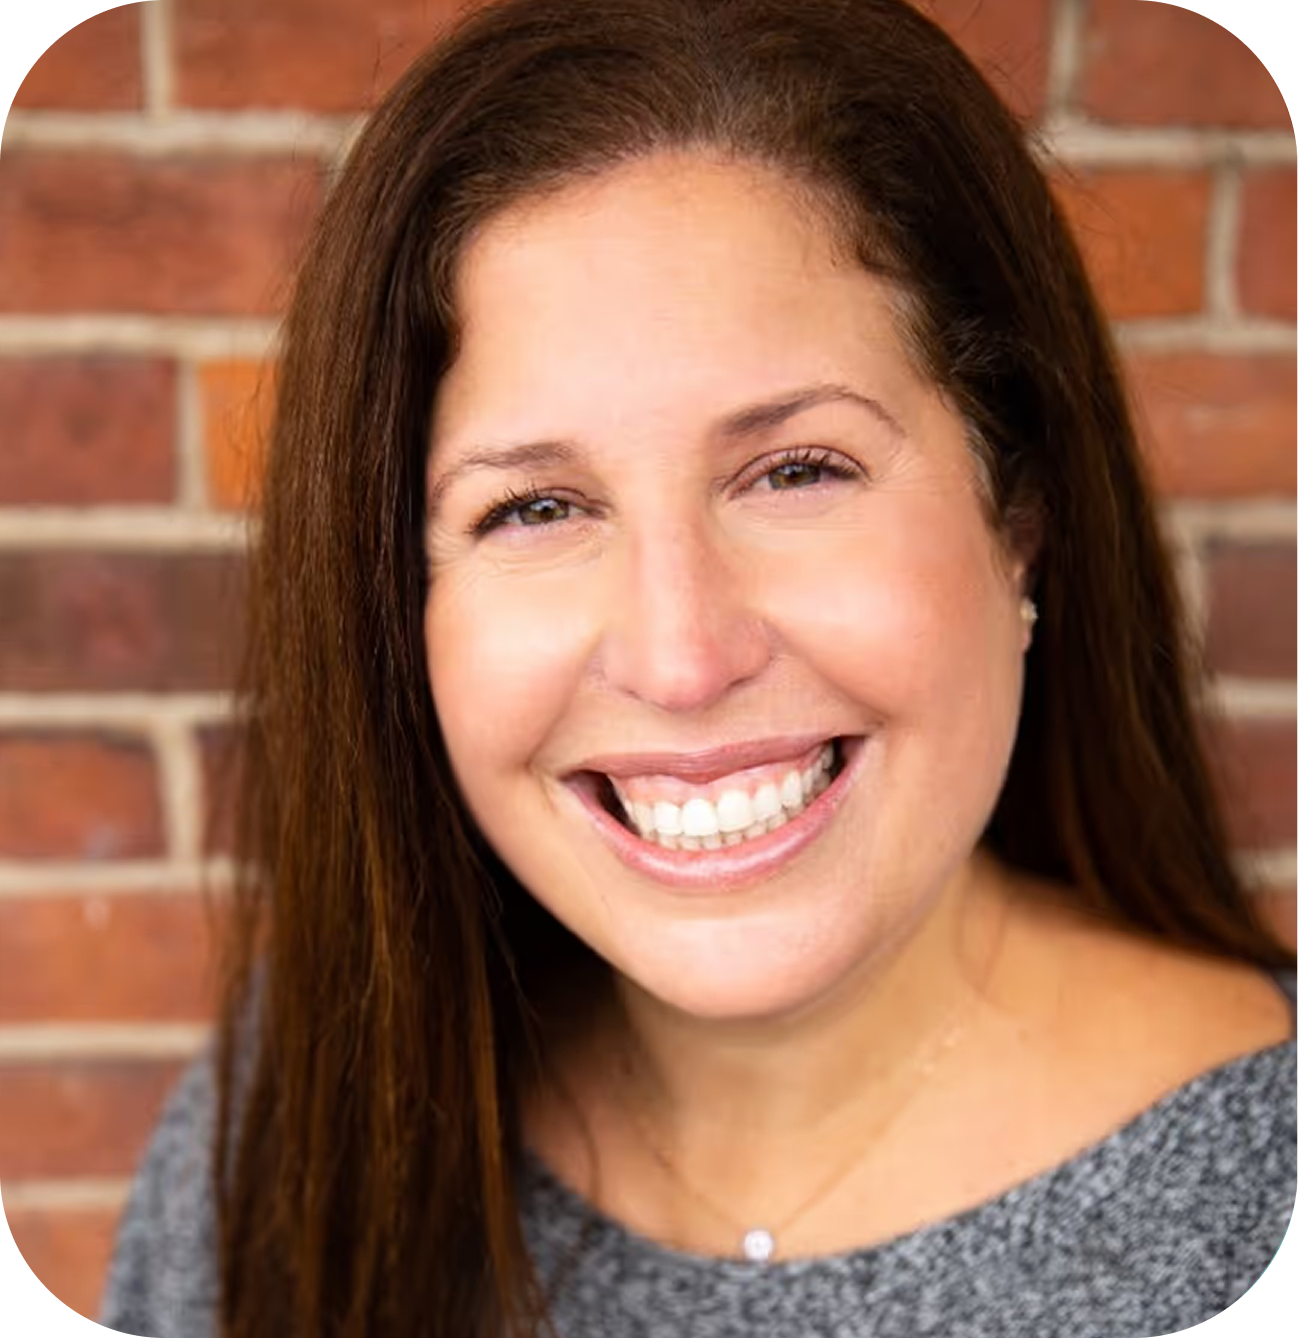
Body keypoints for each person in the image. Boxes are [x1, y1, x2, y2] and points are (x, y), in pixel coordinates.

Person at [99, 1, 1296, 1335]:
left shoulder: (1254, 1188)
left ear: (1016, 514)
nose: (680, 656)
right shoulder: (294, 1119)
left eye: (794, 471)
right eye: (536, 508)